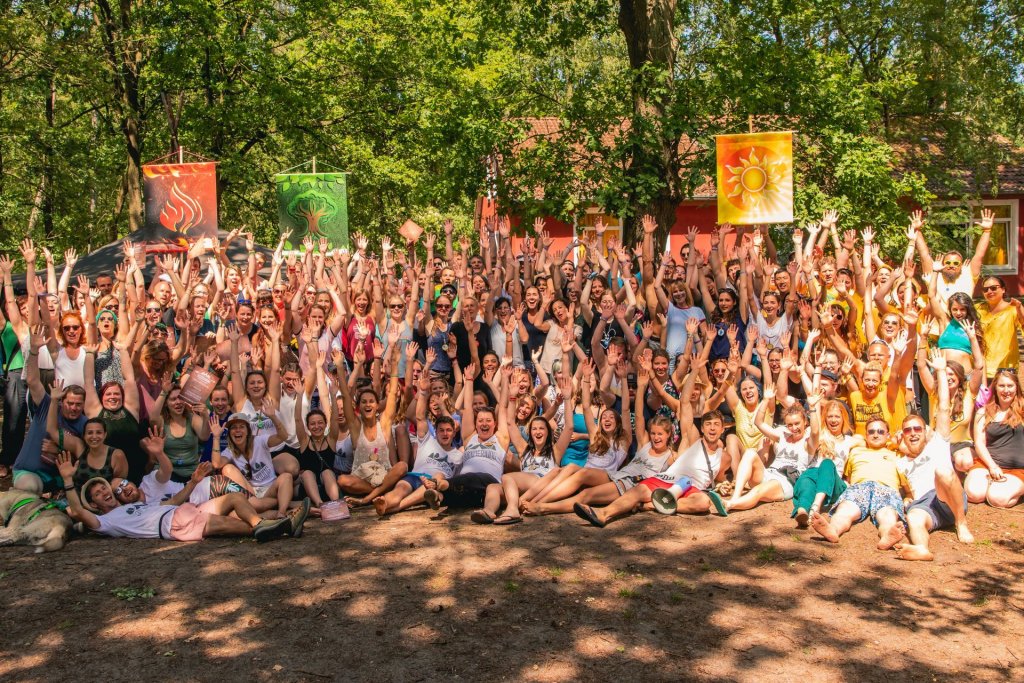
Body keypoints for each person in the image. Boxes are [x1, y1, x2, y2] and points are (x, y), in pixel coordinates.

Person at [56, 452, 304, 542]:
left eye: (105, 489)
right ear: (95, 505)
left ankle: (271, 522)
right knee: (242, 526)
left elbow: (173, 501)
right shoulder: (106, 522)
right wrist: (68, 480)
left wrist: (195, 481)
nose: (105, 493)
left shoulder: (140, 505)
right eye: (98, 494)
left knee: (237, 499)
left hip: (183, 510)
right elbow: (77, 511)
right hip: (175, 525)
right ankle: (279, 525)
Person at [894, 351, 974, 561]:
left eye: (917, 429)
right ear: (903, 435)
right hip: (924, 504)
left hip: (947, 497)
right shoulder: (900, 462)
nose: (913, 433)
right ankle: (922, 549)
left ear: (926, 431)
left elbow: (944, 409)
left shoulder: (938, 443)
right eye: (908, 430)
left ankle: (961, 522)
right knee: (913, 517)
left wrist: (939, 372)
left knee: (943, 472)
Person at [810, 417, 911, 550]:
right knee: (845, 509)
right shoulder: (855, 452)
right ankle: (833, 529)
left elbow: (907, 488)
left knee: (887, 514)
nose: (876, 434)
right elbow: (848, 478)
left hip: (886, 488)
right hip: (859, 487)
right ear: (866, 435)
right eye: (871, 431)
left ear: (888, 435)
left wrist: (907, 498)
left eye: (881, 432)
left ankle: (888, 535)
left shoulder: (896, 455)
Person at [12, 325, 88, 494]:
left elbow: (86, 456)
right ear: (62, 401)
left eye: (78, 404)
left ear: (83, 405)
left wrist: (60, 449)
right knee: (32, 488)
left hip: (59, 477)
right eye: (70, 403)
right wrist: (33, 351)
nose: (73, 408)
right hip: (29, 473)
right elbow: (32, 381)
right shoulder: (48, 404)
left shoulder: (84, 424)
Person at [965, 369, 1024, 508]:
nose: (1006, 390)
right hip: (988, 464)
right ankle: (991, 482)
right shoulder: (983, 412)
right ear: (995, 387)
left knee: (997, 499)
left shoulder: (1022, 410)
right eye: (1001, 386)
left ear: (1017, 388)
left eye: (1010, 386)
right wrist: (992, 466)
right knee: (973, 494)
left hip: (1017, 469)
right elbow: (979, 443)